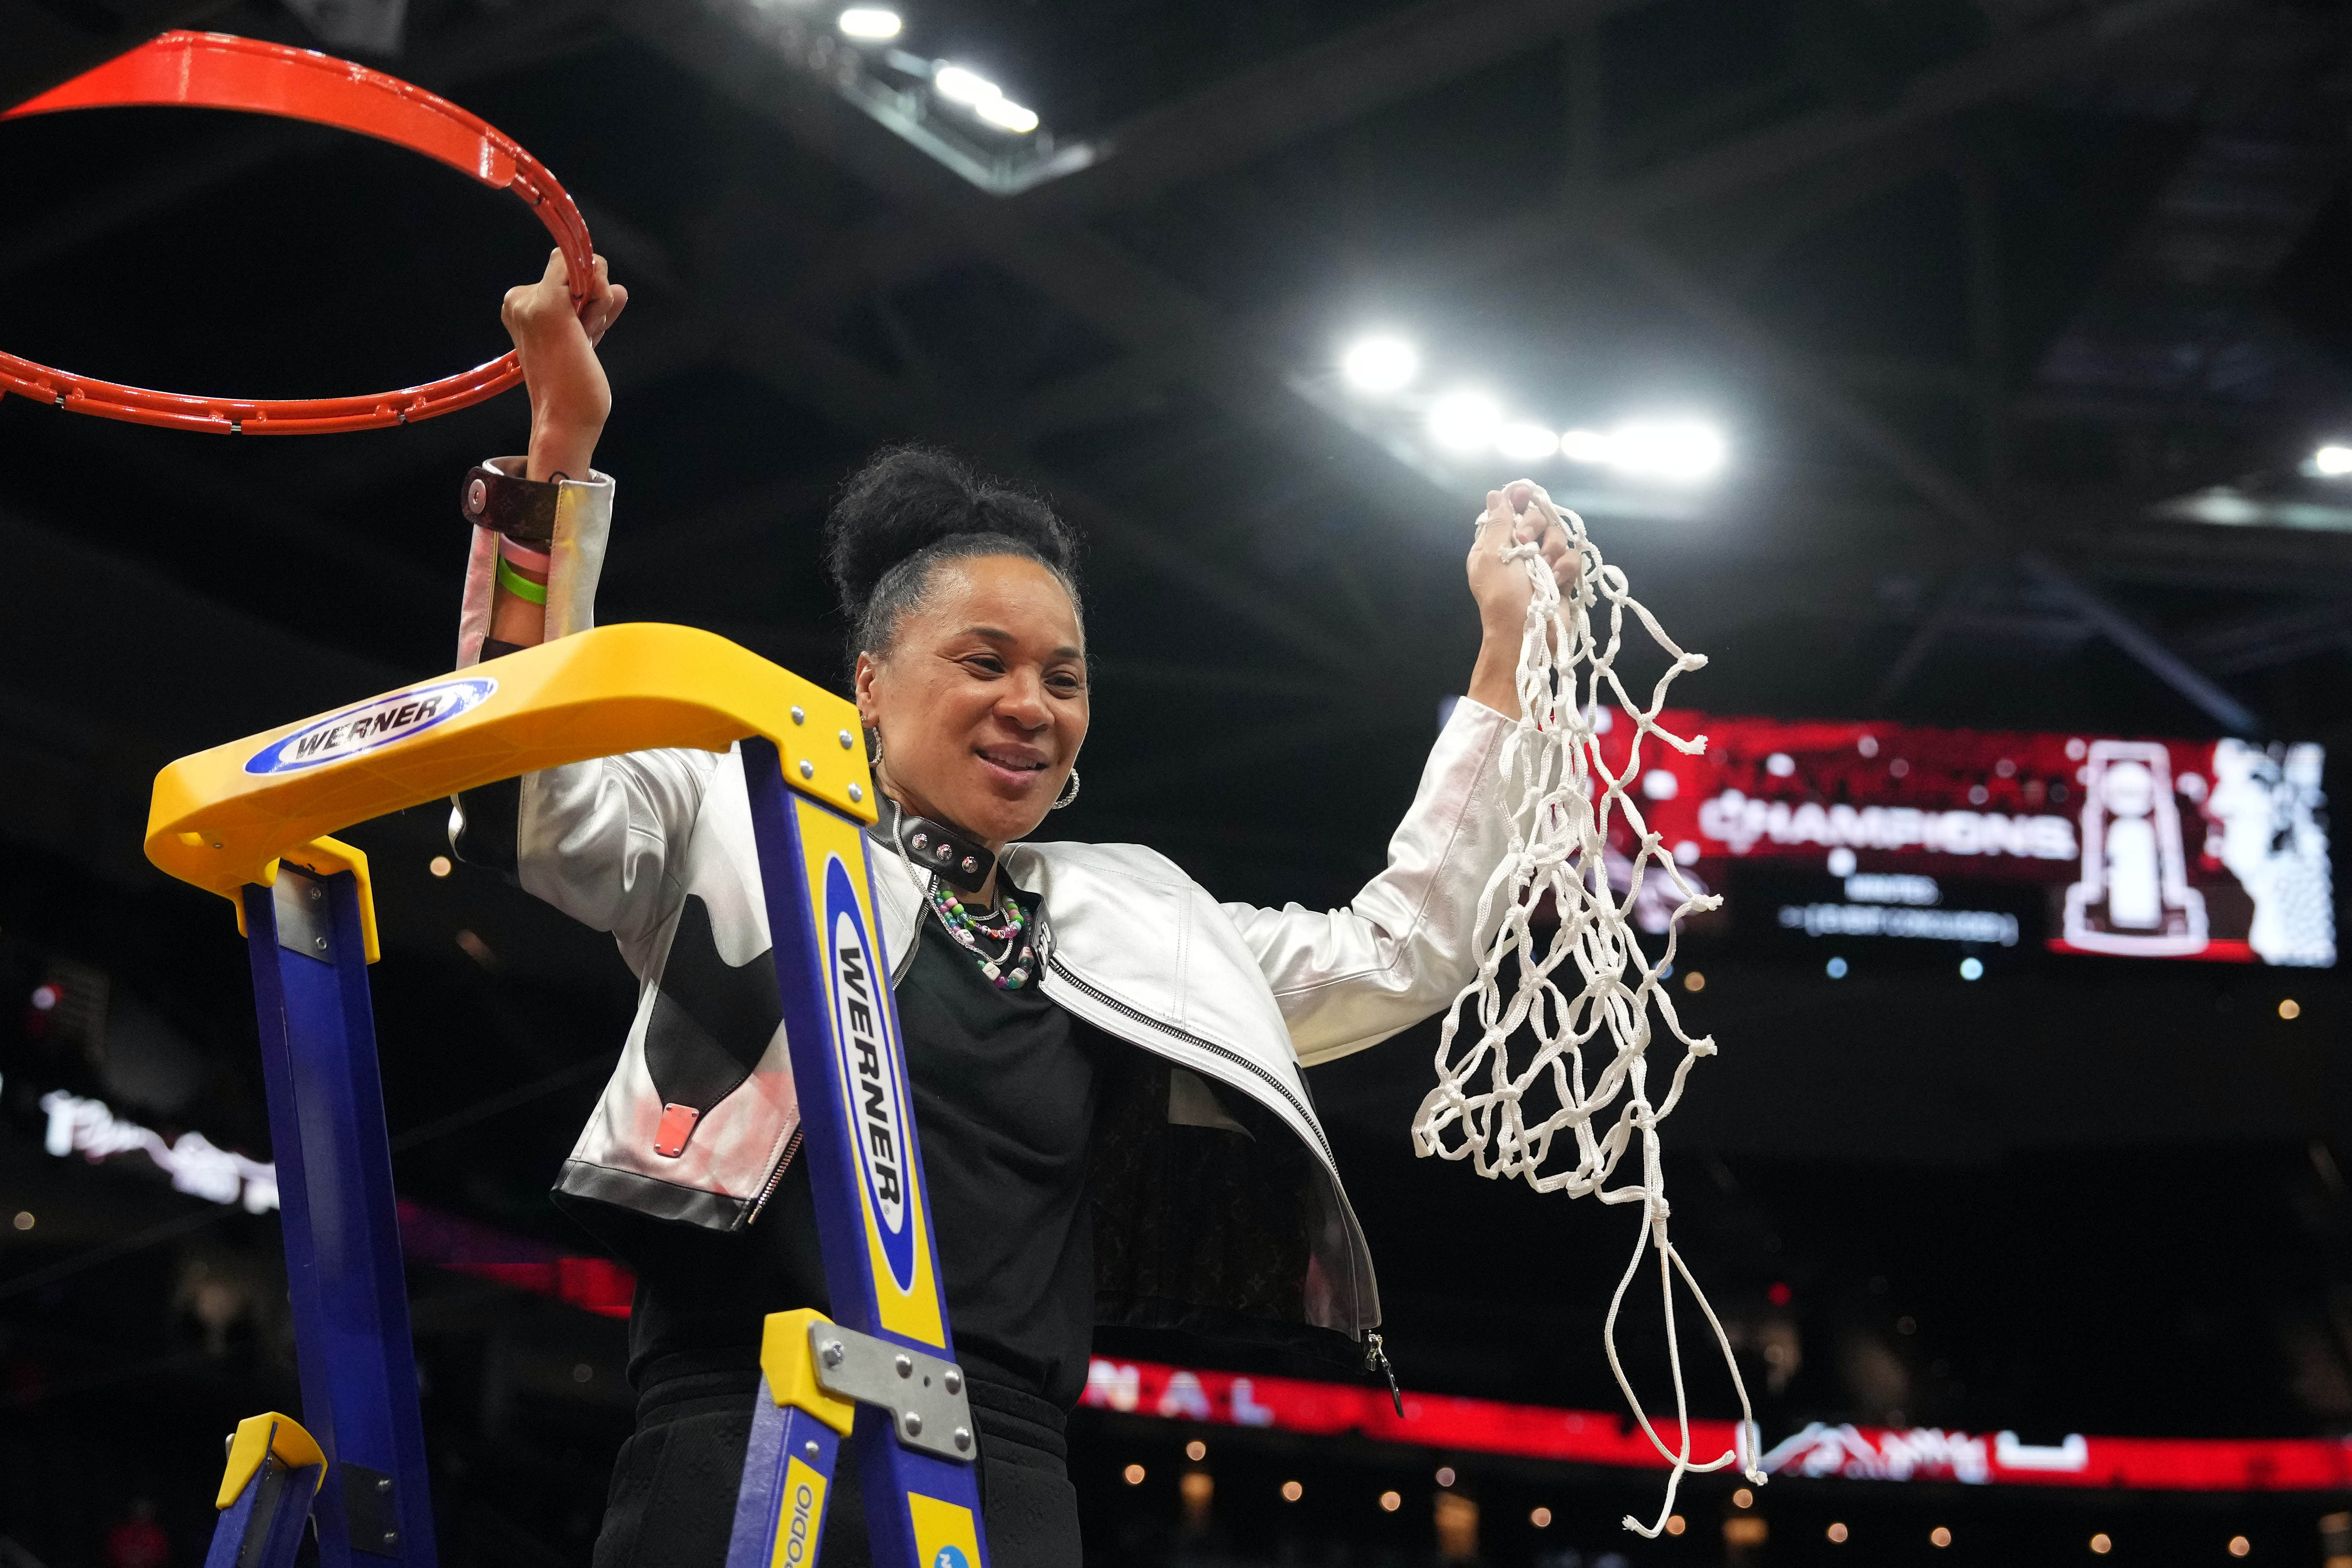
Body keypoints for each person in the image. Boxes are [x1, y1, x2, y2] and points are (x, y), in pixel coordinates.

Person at [449, 251, 1577, 1566]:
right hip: (739, 1423)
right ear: (869, 683)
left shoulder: (1131, 915)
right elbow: (526, 783)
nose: (1030, 704)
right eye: (982, 663)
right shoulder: (741, 819)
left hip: (1005, 1472)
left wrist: (1504, 657)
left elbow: (1407, 944)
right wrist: (556, 452)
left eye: (1063, 676)